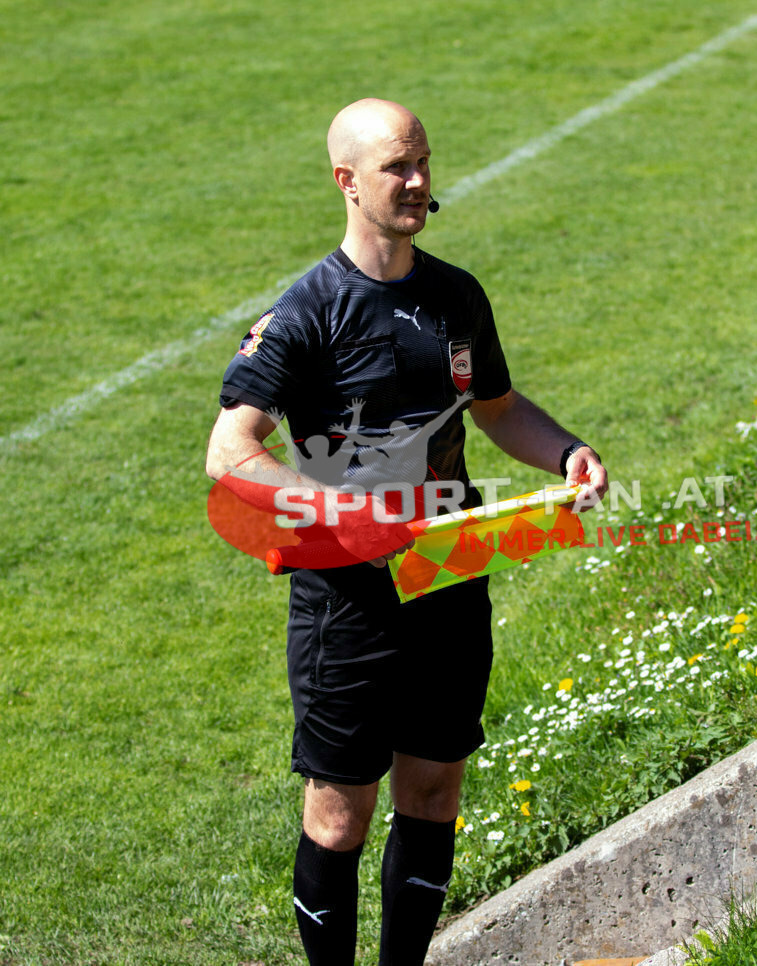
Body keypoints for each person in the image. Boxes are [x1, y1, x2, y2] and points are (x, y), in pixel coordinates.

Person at [205, 98, 607, 966]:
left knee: (432, 787)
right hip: (346, 599)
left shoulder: (456, 296)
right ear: (348, 183)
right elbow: (230, 451)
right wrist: (337, 508)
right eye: (399, 168)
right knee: (340, 813)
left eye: (424, 161)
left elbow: (497, 409)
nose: (420, 180)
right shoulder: (307, 312)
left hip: (451, 574)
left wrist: (568, 451)